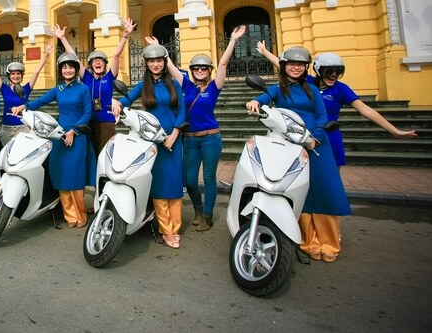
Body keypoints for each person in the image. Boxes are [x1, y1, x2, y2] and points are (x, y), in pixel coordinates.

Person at [246, 46, 352, 263]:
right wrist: (255, 102)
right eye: (291, 64)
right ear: (283, 66)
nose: (296, 67)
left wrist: (316, 137)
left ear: (306, 68)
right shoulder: (278, 88)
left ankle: (330, 242)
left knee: (324, 191)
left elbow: (322, 116)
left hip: (315, 143)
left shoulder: (312, 89)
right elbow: (263, 98)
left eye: (301, 64)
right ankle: (308, 241)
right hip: (290, 145)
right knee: (298, 191)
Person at [147, 24, 247, 231]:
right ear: (192, 71)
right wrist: (161, 50)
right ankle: (198, 209)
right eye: (196, 68)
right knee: (190, 180)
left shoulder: (214, 87)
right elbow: (171, 66)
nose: (200, 71)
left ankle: (208, 216)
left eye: (204, 68)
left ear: (208, 71)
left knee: (209, 178)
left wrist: (233, 41)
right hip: (190, 138)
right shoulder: (186, 85)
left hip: (211, 138)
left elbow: (223, 64)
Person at [256, 43, 417, 166]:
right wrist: (264, 52)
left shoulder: (341, 89)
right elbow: (285, 65)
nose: (333, 76)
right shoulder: (307, 83)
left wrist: (394, 131)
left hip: (329, 134)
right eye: (328, 72)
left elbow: (366, 110)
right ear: (318, 70)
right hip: (302, 133)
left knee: (331, 176)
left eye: (337, 72)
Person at [111, 44, 185, 249]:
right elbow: (126, 100)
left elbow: (182, 110)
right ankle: (165, 229)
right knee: (159, 184)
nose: (155, 64)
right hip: (151, 141)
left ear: (164, 62)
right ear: (146, 64)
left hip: (172, 138)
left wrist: (175, 133)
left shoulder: (173, 84)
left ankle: (175, 227)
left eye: (159, 61)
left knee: (174, 183)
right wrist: (118, 103)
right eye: (151, 61)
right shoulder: (143, 86)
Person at [11, 52, 93, 228]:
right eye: (64, 67)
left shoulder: (83, 89)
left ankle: (81, 214)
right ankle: (70, 215)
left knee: (75, 176)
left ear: (76, 69)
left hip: (77, 135)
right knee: (61, 174)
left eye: (71, 67)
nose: (67, 70)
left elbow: (87, 113)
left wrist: (74, 131)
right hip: (59, 135)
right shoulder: (58, 89)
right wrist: (24, 106)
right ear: (60, 70)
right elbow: (40, 101)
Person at [53, 18, 136, 156]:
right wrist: (62, 38)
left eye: (100, 61)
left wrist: (125, 35)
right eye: (94, 61)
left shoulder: (109, 77)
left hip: (105, 122)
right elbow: (74, 58)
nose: (97, 62)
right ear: (91, 65)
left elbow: (116, 56)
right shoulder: (87, 77)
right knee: (89, 155)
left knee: (106, 154)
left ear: (104, 64)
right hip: (87, 122)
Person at [0, 41, 53, 147]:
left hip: (23, 128)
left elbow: (36, 72)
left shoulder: (26, 89)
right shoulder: (4, 88)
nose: (15, 76)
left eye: (18, 74)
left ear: (21, 75)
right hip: (7, 128)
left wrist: (46, 55)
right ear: (9, 76)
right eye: (13, 74)